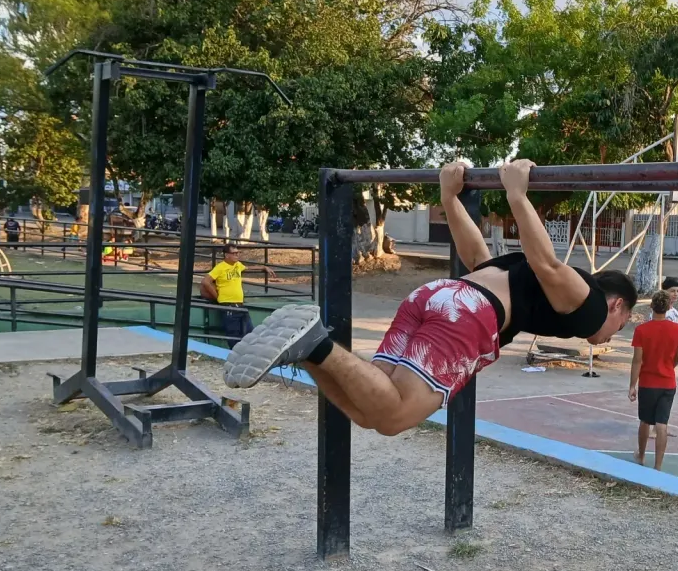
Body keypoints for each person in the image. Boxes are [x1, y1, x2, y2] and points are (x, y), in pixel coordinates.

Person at [223, 159, 638, 436]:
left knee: (372, 412)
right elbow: (548, 264)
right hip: (468, 315)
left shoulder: (521, 277)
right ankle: (316, 342)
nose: (609, 336)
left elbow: (476, 257)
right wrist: (517, 194)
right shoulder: (591, 307)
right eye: (620, 326)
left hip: (437, 294)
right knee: (396, 418)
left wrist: (448, 198)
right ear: (617, 304)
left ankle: (309, 351)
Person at [628, 289, 678, 471]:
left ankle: (641, 454)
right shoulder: (677, 330)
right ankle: (658, 465)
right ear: (669, 306)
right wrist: (670, 366)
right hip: (668, 383)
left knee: (645, 421)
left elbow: (637, 360)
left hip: (648, 382)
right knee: (662, 423)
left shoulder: (641, 330)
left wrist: (632, 385)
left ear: (652, 306)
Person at [201, 244, 255, 349]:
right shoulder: (220, 267)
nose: (237, 255)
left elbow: (248, 268)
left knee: (249, 332)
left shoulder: (238, 265)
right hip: (228, 305)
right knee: (233, 334)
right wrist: (217, 297)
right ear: (226, 255)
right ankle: (235, 355)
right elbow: (206, 281)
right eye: (234, 253)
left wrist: (263, 267)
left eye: (238, 253)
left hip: (240, 305)